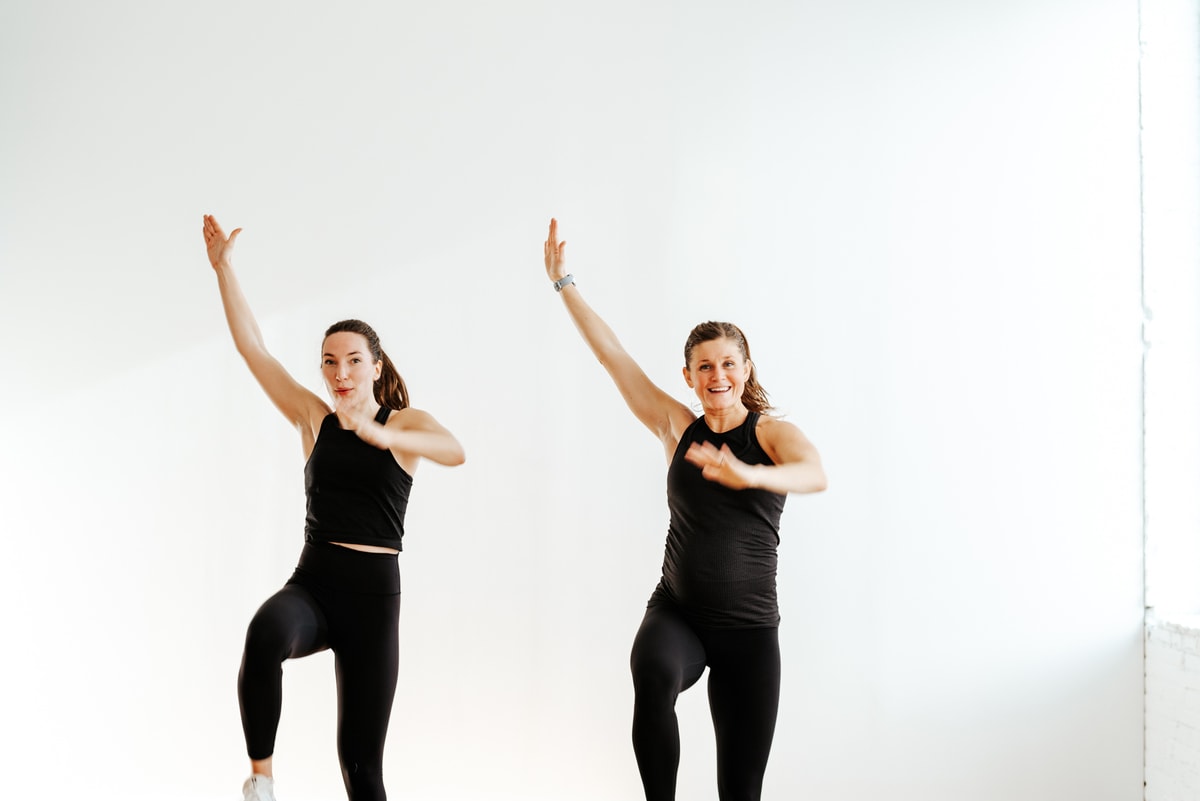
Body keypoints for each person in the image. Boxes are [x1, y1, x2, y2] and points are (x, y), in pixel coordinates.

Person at [542, 219, 827, 801]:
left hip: (749, 632)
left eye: (727, 364)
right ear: (689, 376)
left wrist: (749, 474)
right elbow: (613, 357)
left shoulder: (770, 434)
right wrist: (564, 282)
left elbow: (814, 474)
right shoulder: (677, 426)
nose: (716, 375)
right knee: (652, 677)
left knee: (740, 790)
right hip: (679, 614)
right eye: (704, 366)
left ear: (745, 370)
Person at [202, 215, 465, 801]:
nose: (339, 373)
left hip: (374, 602)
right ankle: (261, 781)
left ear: (375, 364)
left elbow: (455, 451)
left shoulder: (403, 422)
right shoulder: (313, 418)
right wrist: (225, 270)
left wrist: (388, 439)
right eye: (328, 361)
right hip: (316, 583)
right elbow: (254, 349)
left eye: (351, 360)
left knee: (361, 770)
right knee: (266, 632)